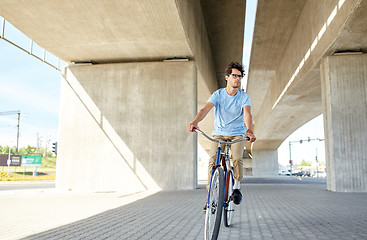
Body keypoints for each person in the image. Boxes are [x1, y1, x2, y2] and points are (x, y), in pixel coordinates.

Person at [186, 61, 256, 205]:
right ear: (227, 77)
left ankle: (236, 186)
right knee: (213, 160)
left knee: (236, 158)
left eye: (240, 76)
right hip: (219, 133)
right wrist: (195, 122)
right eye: (234, 76)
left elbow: (247, 114)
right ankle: (210, 193)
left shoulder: (244, 97)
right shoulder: (218, 94)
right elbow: (205, 109)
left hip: (237, 133)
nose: (237, 79)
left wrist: (249, 130)